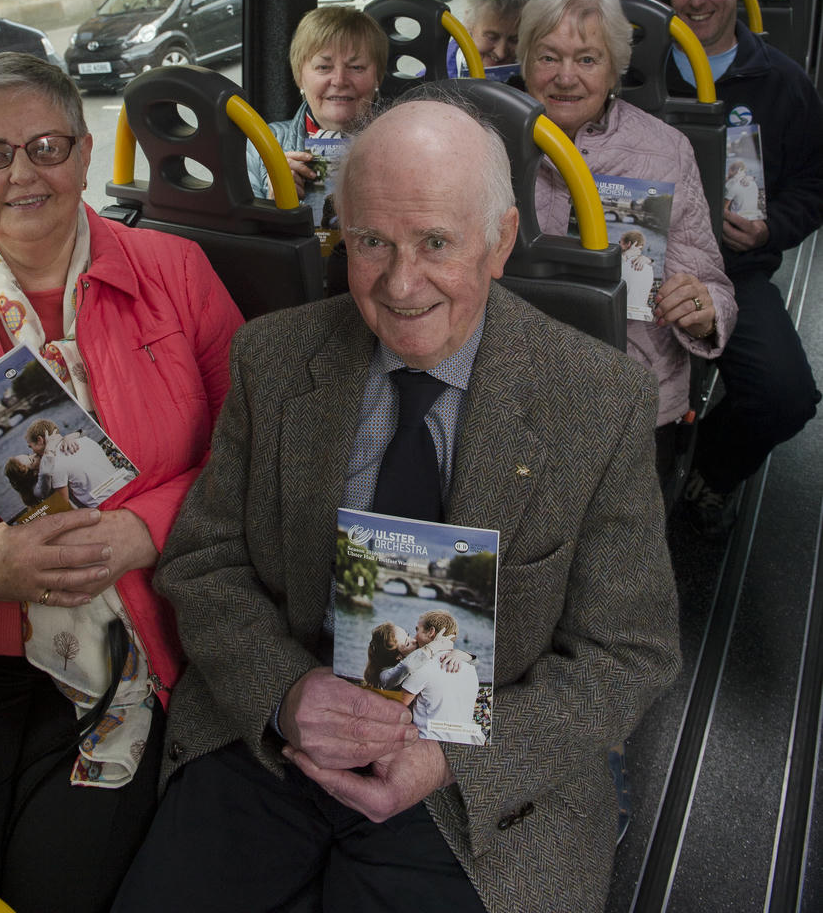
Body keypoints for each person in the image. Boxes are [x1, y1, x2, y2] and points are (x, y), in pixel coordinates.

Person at [112, 98, 680, 913]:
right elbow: (205, 563)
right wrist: (287, 696)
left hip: (476, 784)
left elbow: (629, 653)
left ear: (501, 240)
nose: (401, 283)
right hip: (276, 744)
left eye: (436, 244)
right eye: (372, 242)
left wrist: (455, 758)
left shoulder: (598, 399)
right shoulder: (274, 360)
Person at [0, 52, 243, 913]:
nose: (22, 172)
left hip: (135, 650)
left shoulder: (175, 277)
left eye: (46, 145)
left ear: (86, 151)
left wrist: (146, 527)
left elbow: (255, 457)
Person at [517, 0, 736, 500]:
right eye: (548, 57)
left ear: (615, 68)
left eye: (587, 59)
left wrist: (705, 311)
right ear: (523, 62)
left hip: (629, 390)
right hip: (511, 385)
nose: (565, 77)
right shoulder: (484, 140)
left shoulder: (665, 150)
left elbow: (711, 282)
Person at [665, 0, 823, 532]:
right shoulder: (625, 75)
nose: (697, 0)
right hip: (634, 263)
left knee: (786, 397)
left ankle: (709, 469)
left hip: (733, 271)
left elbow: (813, 186)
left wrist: (769, 229)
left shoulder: (782, 83)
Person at [246, 5, 389, 201]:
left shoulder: (408, 148)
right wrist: (276, 208)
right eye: (323, 67)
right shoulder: (262, 145)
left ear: (377, 78)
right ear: (299, 78)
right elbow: (243, 229)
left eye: (356, 67)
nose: (339, 80)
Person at [378, 610, 485, 746]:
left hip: (428, 742)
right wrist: (466, 655)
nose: (415, 638)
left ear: (431, 632)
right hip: (465, 743)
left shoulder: (422, 667)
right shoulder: (470, 668)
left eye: (417, 630)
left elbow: (398, 709)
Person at [446, 0, 539, 79]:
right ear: (469, 23)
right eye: (491, 37)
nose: (501, 53)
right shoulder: (440, 73)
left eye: (515, 40)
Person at [25, 418, 135, 508]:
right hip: (127, 488)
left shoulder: (55, 464)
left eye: (31, 446)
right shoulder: (85, 440)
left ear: (40, 440)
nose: (32, 451)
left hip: (107, 506)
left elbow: (65, 505)